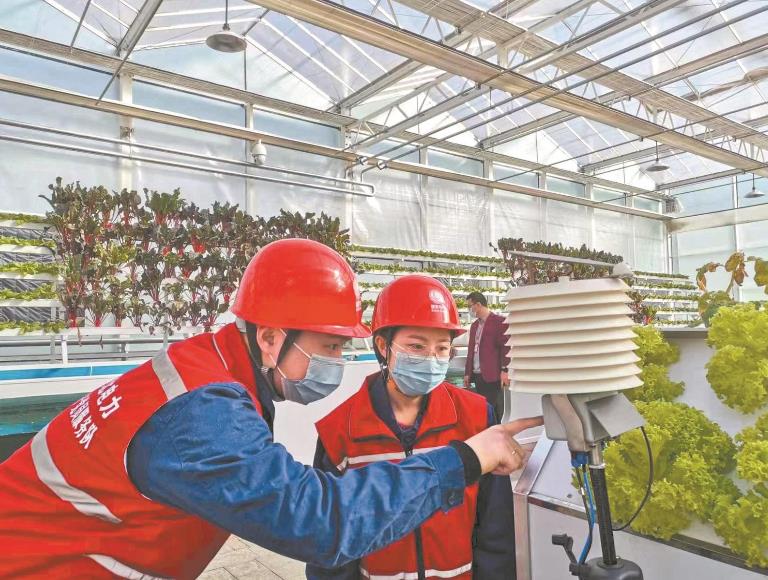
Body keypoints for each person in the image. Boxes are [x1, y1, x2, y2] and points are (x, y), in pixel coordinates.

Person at [0, 238, 541, 578]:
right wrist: (466, 460)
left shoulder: (207, 373)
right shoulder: (203, 415)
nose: (337, 362)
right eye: (330, 347)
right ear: (270, 338)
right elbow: (320, 523)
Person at [308, 275, 520, 580]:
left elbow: (495, 528)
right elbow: (328, 544)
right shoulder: (339, 431)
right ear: (383, 345)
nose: (431, 359)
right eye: (416, 346)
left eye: (442, 348)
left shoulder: (476, 417)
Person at [464, 291, 510, 421]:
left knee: (495, 409)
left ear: (478, 305)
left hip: (493, 375)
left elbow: (506, 347)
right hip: (478, 375)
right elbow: (471, 351)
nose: (469, 310)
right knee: (484, 409)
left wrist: (505, 370)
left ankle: (497, 430)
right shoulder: (474, 326)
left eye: (470, 306)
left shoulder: (499, 322)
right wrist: (467, 373)